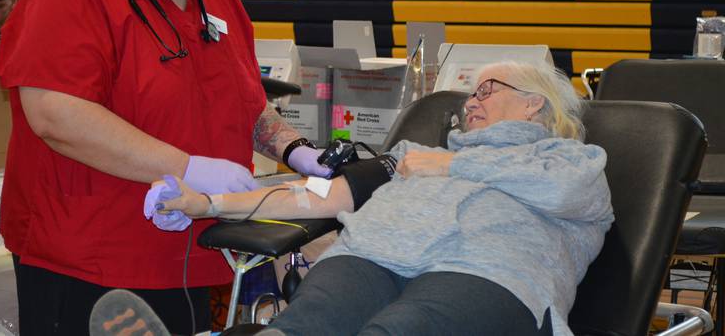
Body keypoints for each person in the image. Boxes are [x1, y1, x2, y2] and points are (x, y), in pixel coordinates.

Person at [0, 0, 330, 336]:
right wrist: (187, 167)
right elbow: (54, 114)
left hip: (186, 253)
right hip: (84, 259)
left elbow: (244, 100)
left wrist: (294, 148)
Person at [137, 61, 614, 336]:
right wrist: (209, 203)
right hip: (372, 256)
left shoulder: (573, 161)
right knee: (305, 325)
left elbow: (562, 192)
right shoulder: (412, 155)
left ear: (535, 102)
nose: (470, 101)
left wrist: (451, 165)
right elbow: (320, 194)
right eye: (470, 94)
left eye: (487, 90)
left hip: (488, 274)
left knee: (397, 331)